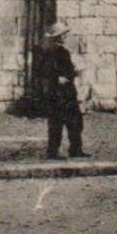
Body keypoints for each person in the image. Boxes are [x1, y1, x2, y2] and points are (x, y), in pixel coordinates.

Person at [36, 21, 88, 159]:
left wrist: (65, 74)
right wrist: (67, 75)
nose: (65, 37)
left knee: (56, 123)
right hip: (64, 93)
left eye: (64, 34)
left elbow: (43, 71)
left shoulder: (48, 51)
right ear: (57, 37)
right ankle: (74, 150)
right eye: (62, 35)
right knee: (74, 122)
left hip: (55, 93)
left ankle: (54, 151)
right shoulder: (60, 51)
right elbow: (57, 71)